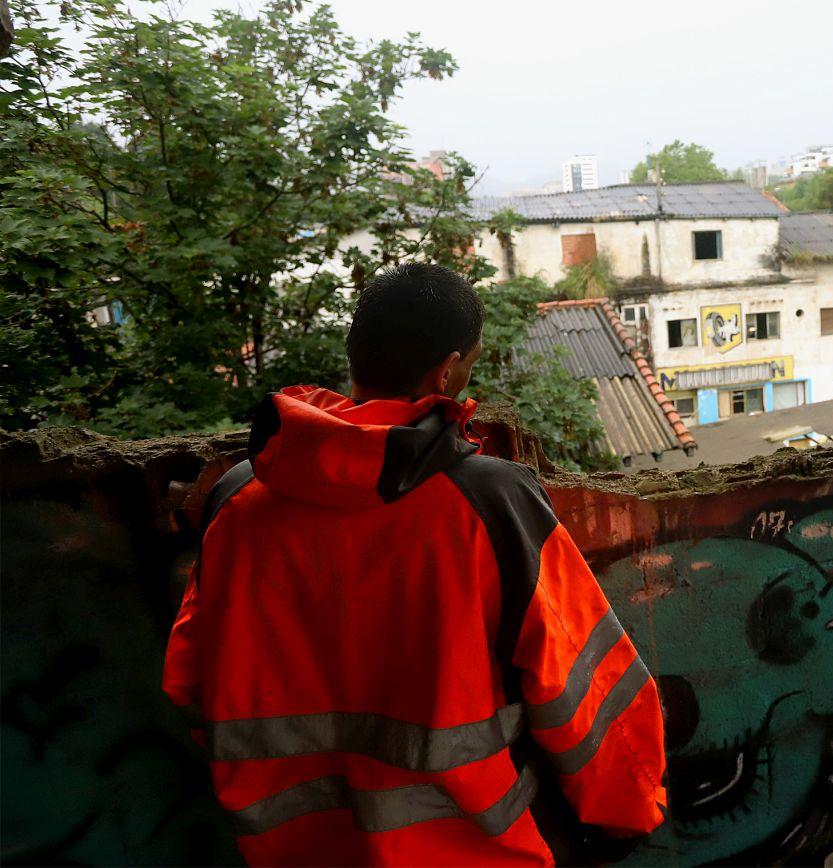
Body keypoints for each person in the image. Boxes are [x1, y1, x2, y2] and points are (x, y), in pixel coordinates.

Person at [163, 263, 666, 865]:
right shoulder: (489, 504)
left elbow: (190, 680)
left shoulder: (237, 502)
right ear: (448, 369)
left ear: (356, 356)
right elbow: (587, 689)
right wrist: (629, 815)